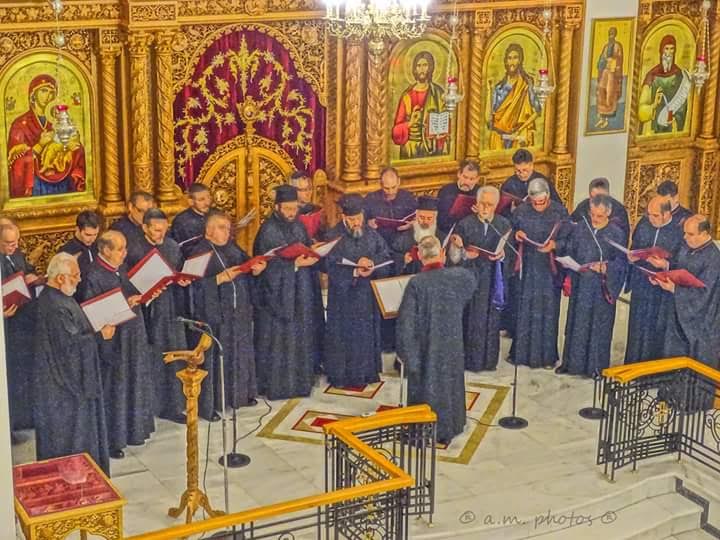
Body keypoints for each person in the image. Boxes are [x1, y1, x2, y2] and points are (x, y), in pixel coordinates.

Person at [32, 253, 112, 474]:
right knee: (72, 441)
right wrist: (100, 335)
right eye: (75, 275)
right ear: (60, 278)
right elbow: (70, 348)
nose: (79, 279)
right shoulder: (56, 307)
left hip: (63, 382)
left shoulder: (56, 297)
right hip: (65, 389)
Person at [78, 230, 155, 459]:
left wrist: (141, 296)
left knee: (133, 381)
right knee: (116, 388)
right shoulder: (92, 275)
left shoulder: (120, 268)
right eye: (120, 249)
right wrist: (124, 304)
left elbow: (129, 292)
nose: (125, 253)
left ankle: (135, 430)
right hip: (113, 342)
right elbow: (92, 312)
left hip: (132, 336)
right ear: (105, 250)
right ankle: (114, 440)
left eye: (125, 248)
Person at [397, 236, 476, 445]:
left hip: (426, 347)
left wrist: (407, 355)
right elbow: (471, 282)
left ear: (420, 256)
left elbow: (407, 323)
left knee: (426, 388)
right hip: (452, 344)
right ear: (442, 254)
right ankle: (452, 425)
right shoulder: (459, 277)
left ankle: (424, 431)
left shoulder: (416, 283)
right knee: (450, 384)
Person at [190, 210, 266, 420]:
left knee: (240, 353)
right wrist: (218, 280)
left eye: (228, 228)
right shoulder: (199, 253)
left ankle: (240, 395)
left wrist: (256, 269)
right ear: (208, 231)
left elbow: (246, 265)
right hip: (216, 316)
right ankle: (212, 405)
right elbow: (192, 289)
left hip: (238, 312)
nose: (227, 232)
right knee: (217, 359)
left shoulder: (232, 247)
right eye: (221, 228)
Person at [253, 185, 322, 399]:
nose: (292, 213)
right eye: (288, 209)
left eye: (294, 208)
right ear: (277, 207)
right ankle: (280, 386)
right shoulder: (268, 230)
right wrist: (294, 266)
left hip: (299, 291)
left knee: (300, 335)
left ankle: (301, 383)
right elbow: (266, 267)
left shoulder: (298, 225)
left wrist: (313, 251)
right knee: (281, 341)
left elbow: (304, 246)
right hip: (278, 298)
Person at [125, 208, 190, 423]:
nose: (161, 235)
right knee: (155, 356)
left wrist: (181, 280)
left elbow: (178, 270)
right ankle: (155, 405)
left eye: (164, 230)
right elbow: (128, 282)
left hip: (171, 308)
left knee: (175, 352)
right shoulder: (133, 249)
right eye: (156, 230)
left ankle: (175, 405)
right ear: (144, 228)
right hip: (147, 313)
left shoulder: (171, 246)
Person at [325, 194, 393, 387]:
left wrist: (372, 264)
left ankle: (367, 373)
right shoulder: (333, 236)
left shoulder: (371, 234)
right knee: (344, 336)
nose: (356, 223)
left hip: (367, 297)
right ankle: (342, 376)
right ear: (344, 217)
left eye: (359, 218)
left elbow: (385, 255)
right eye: (352, 219)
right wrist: (354, 271)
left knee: (365, 336)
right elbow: (329, 265)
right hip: (344, 299)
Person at [556, 195, 627, 376]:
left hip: (601, 289)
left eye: (599, 216)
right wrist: (568, 262)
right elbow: (570, 250)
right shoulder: (581, 228)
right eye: (592, 214)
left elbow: (622, 262)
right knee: (577, 325)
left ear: (608, 213)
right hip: (580, 286)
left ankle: (594, 368)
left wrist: (606, 268)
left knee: (598, 328)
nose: (595, 219)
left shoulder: (616, 234)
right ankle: (572, 365)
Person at [449, 186, 511, 372]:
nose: (485, 208)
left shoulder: (503, 225)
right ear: (476, 203)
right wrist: (463, 252)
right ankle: (470, 362)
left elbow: (511, 253)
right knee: (471, 319)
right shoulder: (464, 224)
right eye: (482, 203)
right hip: (471, 279)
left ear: (496, 205)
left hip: (492, 278)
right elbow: (453, 258)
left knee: (491, 320)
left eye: (489, 205)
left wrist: (502, 255)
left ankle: (489, 361)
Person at [508, 178, 568, 368]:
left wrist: (555, 245)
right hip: (527, 268)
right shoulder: (521, 211)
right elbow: (510, 233)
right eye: (535, 202)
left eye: (542, 202)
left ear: (548, 196)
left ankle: (547, 357)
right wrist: (516, 235)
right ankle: (520, 355)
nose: (538, 205)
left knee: (548, 312)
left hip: (549, 270)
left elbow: (570, 239)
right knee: (524, 310)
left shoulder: (559, 212)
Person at [624, 197, 684, 364]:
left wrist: (665, 264)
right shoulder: (644, 225)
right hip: (641, 284)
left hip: (661, 291)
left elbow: (682, 262)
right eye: (649, 214)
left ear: (667, 213)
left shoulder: (678, 232)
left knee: (656, 330)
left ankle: (650, 370)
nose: (651, 219)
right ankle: (633, 366)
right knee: (637, 328)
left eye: (655, 215)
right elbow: (634, 248)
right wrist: (632, 257)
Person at [656, 215, 720, 369]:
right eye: (685, 233)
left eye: (690, 234)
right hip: (677, 314)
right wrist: (664, 268)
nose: (685, 238)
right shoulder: (686, 247)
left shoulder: (714, 259)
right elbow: (678, 268)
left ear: (704, 234)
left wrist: (674, 289)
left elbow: (705, 295)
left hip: (700, 322)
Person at [7, 74, 85, 197]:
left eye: (51, 92)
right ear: (33, 94)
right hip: (35, 185)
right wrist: (40, 145)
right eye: (43, 91)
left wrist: (71, 147)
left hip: (63, 181)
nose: (48, 96)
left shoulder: (60, 121)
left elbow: (75, 147)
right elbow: (15, 162)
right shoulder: (20, 124)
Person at [1, 223, 40, 432]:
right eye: (8, 243)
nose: (13, 246)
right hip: (6, 329)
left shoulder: (17, 255)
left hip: (24, 323)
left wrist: (31, 278)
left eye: (16, 241)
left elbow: (26, 271)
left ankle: (25, 419)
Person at [391, 51, 448, 159]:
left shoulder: (437, 93)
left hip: (431, 147)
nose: (422, 69)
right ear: (415, 69)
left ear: (430, 67)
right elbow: (395, 132)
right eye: (419, 65)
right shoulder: (407, 96)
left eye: (425, 65)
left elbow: (445, 123)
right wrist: (410, 123)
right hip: (410, 147)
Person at [488, 43, 542, 150]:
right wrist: (488, 91)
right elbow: (490, 119)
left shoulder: (526, 84)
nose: (512, 62)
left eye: (515, 58)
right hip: (499, 137)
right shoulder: (498, 88)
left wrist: (520, 130)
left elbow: (537, 111)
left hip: (518, 136)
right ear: (505, 61)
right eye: (509, 58)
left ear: (520, 60)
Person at [638, 35, 691, 135]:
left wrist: (675, 119)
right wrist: (654, 105)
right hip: (652, 128)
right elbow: (641, 110)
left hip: (671, 127)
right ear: (661, 50)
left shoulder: (679, 75)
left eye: (672, 49)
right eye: (666, 49)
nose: (669, 53)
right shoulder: (651, 76)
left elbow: (683, 107)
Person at [364, 167, 418, 248]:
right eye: (386, 188)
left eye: (394, 187)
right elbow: (361, 221)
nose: (391, 192)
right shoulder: (371, 199)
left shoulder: (408, 197)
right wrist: (368, 224)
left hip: (403, 243)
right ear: (381, 184)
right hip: (379, 243)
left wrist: (411, 225)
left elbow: (418, 218)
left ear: (398, 182)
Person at [499, 149, 561, 217]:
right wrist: (513, 211)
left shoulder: (543, 181)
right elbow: (501, 212)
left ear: (531, 165)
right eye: (518, 171)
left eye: (525, 170)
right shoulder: (508, 185)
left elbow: (558, 206)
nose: (522, 174)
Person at [391, 195, 442, 275]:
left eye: (429, 218)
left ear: (435, 219)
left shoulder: (442, 237)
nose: (425, 222)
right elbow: (392, 254)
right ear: (416, 217)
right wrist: (403, 259)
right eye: (422, 217)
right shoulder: (403, 237)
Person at [571, 177, 630, 244]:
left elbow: (622, 240)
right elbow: (572, 228)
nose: (598, 203)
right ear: (590, 196)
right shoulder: (583, 207)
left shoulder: (619, 211)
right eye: (594, 198)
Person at [437, 159, 482, 235]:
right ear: (459, 174)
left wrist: (479, 214)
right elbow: (441, 221)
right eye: (465, 177)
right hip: (450, 232)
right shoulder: (446, 191)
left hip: (473, 232)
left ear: (477, 179)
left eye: (471, 179)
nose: (467, 182)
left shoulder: (481, 192)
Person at [171, 183, 213, 256]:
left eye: (208, 198)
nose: (207, 203)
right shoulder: (182, 222)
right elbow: (186, 251)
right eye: (201, 200)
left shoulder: (215, 214)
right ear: (191, 202)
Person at [595, 27, 624, 130]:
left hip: (612, 74)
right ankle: (601, 117)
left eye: (612, 34)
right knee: (601, 92)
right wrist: (602, 62)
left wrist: (613, 61)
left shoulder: (618, 46)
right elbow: (601, 58)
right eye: (610, 34)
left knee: (610, 95)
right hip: (605, 72)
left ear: (615, 35)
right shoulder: (606, 46)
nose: (611, 36)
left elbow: (620, 59)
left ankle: (607, 119)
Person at [59, 210, 101, 281]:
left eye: (95, 234)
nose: (92, 239)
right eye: (88, 235)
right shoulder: (66, 252)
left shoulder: (99, 246)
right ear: (77, 229)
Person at [290, 170, 328, 242]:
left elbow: (324, 235)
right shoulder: (287, 213)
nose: (308, 193)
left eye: (310, 189)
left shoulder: (317, 210)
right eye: (304, 190)